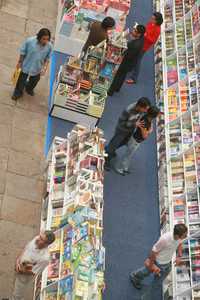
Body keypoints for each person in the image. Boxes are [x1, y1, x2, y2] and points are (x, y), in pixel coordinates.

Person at [130, 224, 188, 300]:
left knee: (153, 279)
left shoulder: (179, 238)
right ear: (177, 235)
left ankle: (135, 276)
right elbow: (153, 251)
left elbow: (180, 243)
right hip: (158, 263)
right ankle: (144, 295)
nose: (186, 236)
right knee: (152, 279)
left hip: (167, 263)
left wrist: (179, 256)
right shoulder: (165, 239)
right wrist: (152, 265)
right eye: (184, 235)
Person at [105, 97, 151, 171]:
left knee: (123, 142)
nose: (146, 111)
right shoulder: (129, 110)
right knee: (114, 144)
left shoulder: (141, 109)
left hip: (130, 130)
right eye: (145, 109)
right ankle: (106, 159)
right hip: (122, 130)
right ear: (139, 106)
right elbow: (123, 123)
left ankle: (109, 150)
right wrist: (134, 124)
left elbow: (138, 117)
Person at [114, 105, 160, 175]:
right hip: (135, 141)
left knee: (129, 155)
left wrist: (148, 130)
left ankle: (125, 167)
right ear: (153, 115)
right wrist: (149, 131)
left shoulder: (146, 118)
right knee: (128, 155)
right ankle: (119, 168)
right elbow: (145, 136)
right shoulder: (146, 123)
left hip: (135, 138)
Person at [11, 230, 55, 300]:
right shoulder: (36, 239)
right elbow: (25, 249)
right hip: (18, 267)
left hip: (23, 278)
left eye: (41, 239)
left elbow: (33, 272)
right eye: (40, 236)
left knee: (17, 295)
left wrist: (19, 270)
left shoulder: (45, 258)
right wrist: (17, 261)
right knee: (14, 287)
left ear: (47, 244)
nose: (38, 239)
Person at [12, 28, 52, 100]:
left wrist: (44, 68)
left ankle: (29, 88)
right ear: (39, 37)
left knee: (35, 81)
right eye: (44, 39)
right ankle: (18, 92)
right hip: (26, 65)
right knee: (21, 80)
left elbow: (47, 58)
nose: (45, 41)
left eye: (47, 39)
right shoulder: (30, 41)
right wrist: (19, 62)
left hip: (37, 67)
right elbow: (23, 52)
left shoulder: (49, 46)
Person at [107, 24, 146, 96]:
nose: (133, 31)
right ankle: (117, 88)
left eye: (135, 31)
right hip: (131, 62)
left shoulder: (135, 44)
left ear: (139, 34)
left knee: (118, 75)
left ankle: (110, 91)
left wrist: (121, 49)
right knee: (122, 75)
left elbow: (127, 54)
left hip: (127, 62)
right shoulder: (141, 39)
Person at [126, 12, 163, 84]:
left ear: (157, 21)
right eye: (151, 17)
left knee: (137, 61)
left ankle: (134, 78)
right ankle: (129, 68)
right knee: (133, 57)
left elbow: (153, 40)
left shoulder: (157, 29)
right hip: (140, 42)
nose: (151, 19)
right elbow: (146, 29)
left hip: (144, 46)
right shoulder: (150, 23)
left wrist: (145, 35)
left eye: (153, 19)